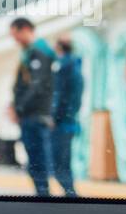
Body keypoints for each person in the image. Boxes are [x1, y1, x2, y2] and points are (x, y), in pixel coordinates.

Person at [7, 18, 56, 196]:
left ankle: (43, 196)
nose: (15, 40)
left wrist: (18, 108)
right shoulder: (30, 53)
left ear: (26, 29)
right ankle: (41, 193)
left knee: (37, 160)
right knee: (35, 159)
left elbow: (36, 86)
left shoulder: (39, 53)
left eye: (16, 35)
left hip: (35, 116)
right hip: (31, 115)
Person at [50, 36, 84, 197]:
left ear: (59, 48)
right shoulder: (76, 67)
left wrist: (54, 118)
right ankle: (70, 193)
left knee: (58, 163)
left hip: (61, 123)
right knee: (64, 162)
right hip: (70, 121)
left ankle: (71, 194)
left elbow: (59, 96)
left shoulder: (63, 67)